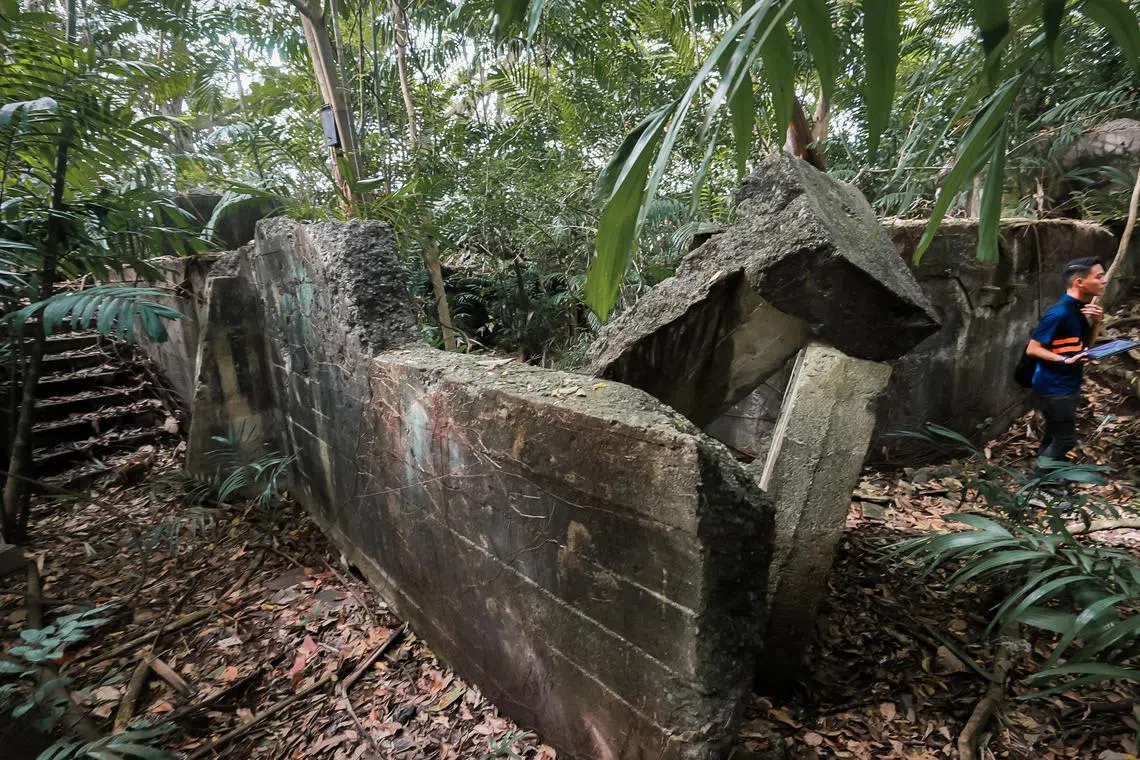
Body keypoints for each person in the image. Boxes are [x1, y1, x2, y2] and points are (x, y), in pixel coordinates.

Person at [1024, 257, 1106, 471]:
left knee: (1053, 436)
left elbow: (1083, 347)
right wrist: (1064, 360)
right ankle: (1039, 487)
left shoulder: (1079, 310)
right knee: (1065, 440)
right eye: (1099, 277)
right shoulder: (1058, 313)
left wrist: (1097, 323)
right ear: (1079, 282)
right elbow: (1033, 348)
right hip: (1053, 387)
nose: (1104, 281)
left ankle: (1047, 484)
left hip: (1067, 384)